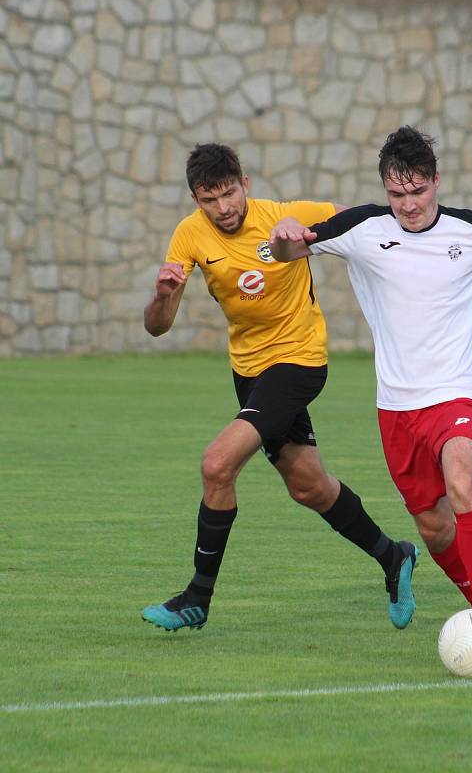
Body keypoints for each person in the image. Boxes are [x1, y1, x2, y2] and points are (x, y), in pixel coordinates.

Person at [269, 126, 472, 665]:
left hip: (455, 394)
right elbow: (285, 253)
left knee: (463, 481)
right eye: (397, 195)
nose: (408, 205)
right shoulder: (362, 228)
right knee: (433, 526)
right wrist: (284, 236)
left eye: (417, 192)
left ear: (436, 182)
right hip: (397, 409)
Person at [141, 142, 419, 633]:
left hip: (298, 362)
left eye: (229, 194)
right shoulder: (188, 237)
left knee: (217, 464)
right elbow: (158, 327)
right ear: (195, 199)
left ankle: (197, 597)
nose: (223, 208)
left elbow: (365, 219)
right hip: (248, 374)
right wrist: (162, 296)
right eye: (210, 200)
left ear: (244, 184)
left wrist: (411, 234)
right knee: (309, 487)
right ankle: (394, 557)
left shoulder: (285, 217)